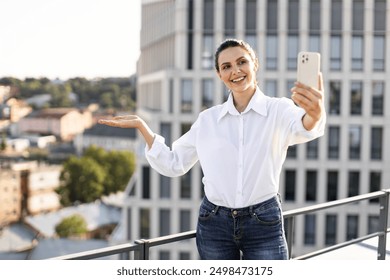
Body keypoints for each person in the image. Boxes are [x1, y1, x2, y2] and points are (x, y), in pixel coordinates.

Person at [98, 38, 326, 260]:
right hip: (214, 222)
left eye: (241, 62)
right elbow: (174, 163)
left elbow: (304, 126)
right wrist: (142, 126)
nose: (235, 70)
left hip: (263, 221)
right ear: (219, 75)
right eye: (226, 66)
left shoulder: (278, 109)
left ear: (255, 64)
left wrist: (314, 114)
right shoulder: (208, 120)